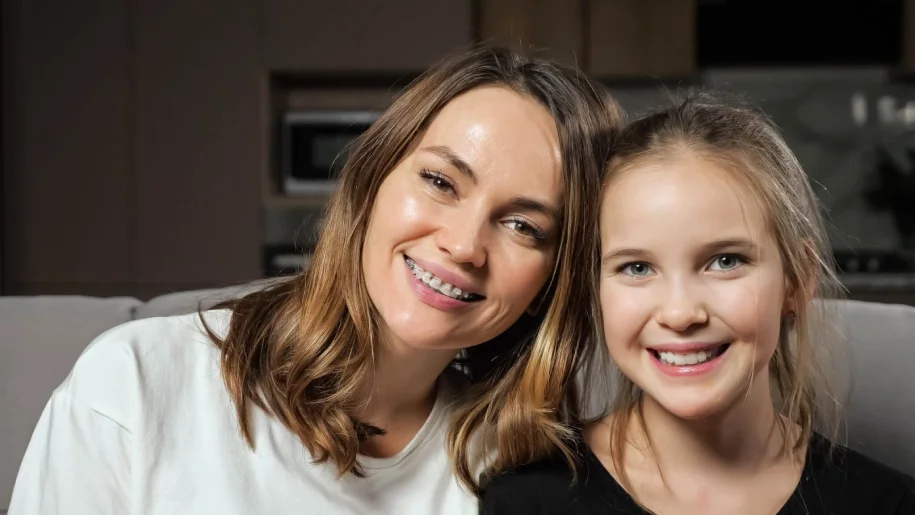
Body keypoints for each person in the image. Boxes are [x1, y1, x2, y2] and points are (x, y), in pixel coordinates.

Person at [8, 46, 623, 514]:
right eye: (440, 182)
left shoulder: (512, 467)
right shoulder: (137, 385)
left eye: (522, 226)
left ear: (554, 276)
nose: (464, 246)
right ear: (372, 181)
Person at [481, 93, 915, 514]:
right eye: (636, 268)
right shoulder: (526, 501)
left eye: (725, 261)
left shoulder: (888, 503)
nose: (680, 313)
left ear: (797, 279)